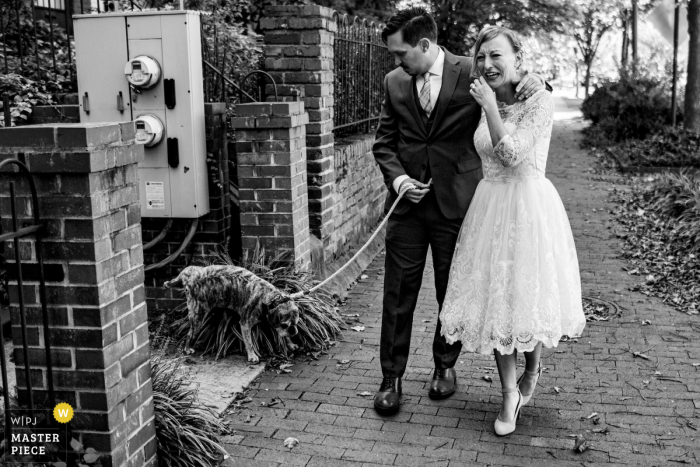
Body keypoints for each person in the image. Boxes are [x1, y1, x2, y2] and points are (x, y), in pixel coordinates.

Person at [371, 8, 547, 415]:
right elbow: (384, 142)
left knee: (452, 291)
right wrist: (399, 181)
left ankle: (444, 367)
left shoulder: (473, 70)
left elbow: (515, 87)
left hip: (459, 203)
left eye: (401, 53)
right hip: (406, 208)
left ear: (425, 44)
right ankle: (391, 376)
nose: (397, 62)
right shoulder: (393, 82)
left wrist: (534, 80)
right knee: (398, 293)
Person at [439, 26, 586, 436]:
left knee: (527, 293)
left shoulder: (540, 99)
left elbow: (511, 153)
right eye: (481, 56)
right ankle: (508, 394)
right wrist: (488, 101)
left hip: (530, 207)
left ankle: (533, 368)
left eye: (496, 56)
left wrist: (489, 106)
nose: (487, 64)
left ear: (518, 59)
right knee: (496, 299)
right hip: (490, 209)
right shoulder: (484, 94)